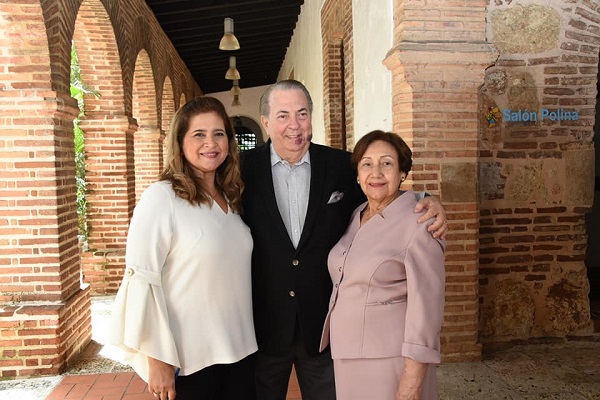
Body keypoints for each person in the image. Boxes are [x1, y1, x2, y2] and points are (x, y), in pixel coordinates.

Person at [240, 80, 447, 400]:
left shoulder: (340, 165)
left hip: (325, 330)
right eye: (282, 116)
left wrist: (427, 198)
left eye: (302, 114)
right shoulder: (241, 170)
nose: (294, 125)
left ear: (312, 117)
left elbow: (381, 189)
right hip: (264, 326)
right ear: (266, 122)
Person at [107, 96, 257, 400]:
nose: (210, 143)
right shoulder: (162, 198)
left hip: (241, 351)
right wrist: (157, 359)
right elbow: (141, 279)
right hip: (191, 359)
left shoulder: (231, 197)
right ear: (180, 141)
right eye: (198, 134)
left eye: (219, 133)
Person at [320, 130, 446, 400]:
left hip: (391, 358)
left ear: (402, 171)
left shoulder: (421, 221)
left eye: (386, 163)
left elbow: (427, 306)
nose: (375, 172)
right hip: (347, 354)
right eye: (367, 164)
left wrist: (412, 378)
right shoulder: (357, 213)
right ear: (357, 174)